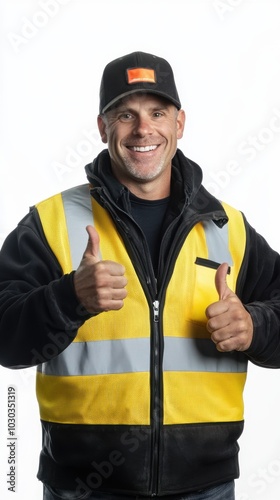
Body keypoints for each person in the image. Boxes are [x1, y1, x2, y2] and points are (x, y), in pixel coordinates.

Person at [0, 51, 280, 500]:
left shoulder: (226, 225)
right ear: (102, 127)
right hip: (84, 488)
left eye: (157, 113)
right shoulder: (49, 223)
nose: (143, 129)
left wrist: (255, 325)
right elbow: (6, 340)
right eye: (125, 114)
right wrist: (68, 298)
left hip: (205, 487)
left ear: (179, 124)